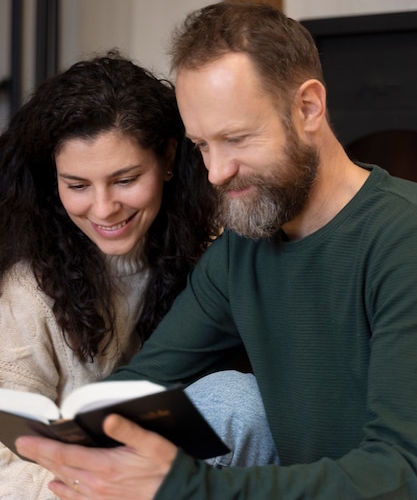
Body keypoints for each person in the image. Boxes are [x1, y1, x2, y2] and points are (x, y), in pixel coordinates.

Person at [16, 1, 417, 499]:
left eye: (236, 139)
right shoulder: (241, 251)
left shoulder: (403, 238)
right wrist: (76, 441)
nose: (215, 172)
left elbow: (402, 473)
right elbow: (142, 381)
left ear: (309, 108)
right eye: (202, 145)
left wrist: (187, 487)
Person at [0, 49, 277, 499]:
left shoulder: (209, 254)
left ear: (168, 158)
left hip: (175, 476)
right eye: (77, 186)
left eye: (126, 179)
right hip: (65, 488)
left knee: (239, 401)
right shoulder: (30, 288)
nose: (105, 208)